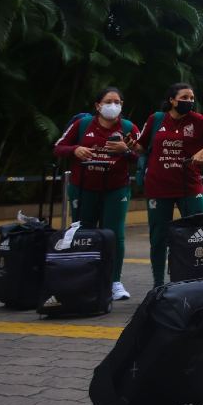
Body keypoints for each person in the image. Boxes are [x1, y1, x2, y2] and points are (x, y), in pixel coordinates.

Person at [53, 87, 141, 301]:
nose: (114, 106)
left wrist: (126, 151)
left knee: (115, 234)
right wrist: (75, 150)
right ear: (97, 105)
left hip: (116, 189)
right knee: (83, 233)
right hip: (83, 188)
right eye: (109, 101)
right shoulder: (82, 125)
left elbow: (144, 156)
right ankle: (85, 277)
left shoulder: (129, 128)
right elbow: (58, 147)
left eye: (118, 102)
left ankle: (114, 281)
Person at [139, 83, 203, 289]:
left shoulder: (198, 121)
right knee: (158, 237)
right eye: (184, 97)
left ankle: (199, 278)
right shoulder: (156, 120)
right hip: (158, 187)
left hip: (189, 186)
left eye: (191, 98)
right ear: (172, 100)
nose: (189, 101)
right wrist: (126, 145)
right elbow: (140, 146)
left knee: (199, 232)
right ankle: (159, 284)